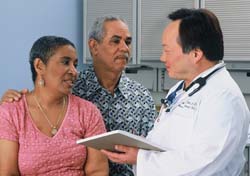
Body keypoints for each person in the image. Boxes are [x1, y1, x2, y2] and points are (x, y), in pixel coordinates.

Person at [0, 16, 157, 176]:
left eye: (128, 42)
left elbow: (156, 150)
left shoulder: (141, 97)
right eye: (115, 41)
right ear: (94, 46)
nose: (124, 48)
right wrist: (9, 105)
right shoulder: (70, 86)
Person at [100, 8, 250, 176]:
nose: (162, 57)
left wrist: (140, 158)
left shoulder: (224, 98)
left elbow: (205, 162)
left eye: (168, 50)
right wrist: (139, 147)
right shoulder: (180, 89)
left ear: (195, 54)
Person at [0, 36, 109, 175]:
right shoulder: (11, 113)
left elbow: (97, 171)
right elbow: (8, 173)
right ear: (39, 66)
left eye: (75, 65)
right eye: (65, 62)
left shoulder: (88, 112)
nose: (74, 72)